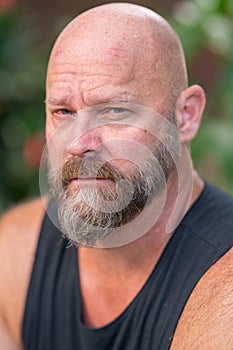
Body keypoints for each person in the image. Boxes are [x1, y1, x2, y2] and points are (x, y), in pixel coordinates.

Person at [0, 3, 232, 349]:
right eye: (63, 111)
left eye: (115, 110)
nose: (79, 143)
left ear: (185, 116)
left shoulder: (224, 292)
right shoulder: (15, 253)